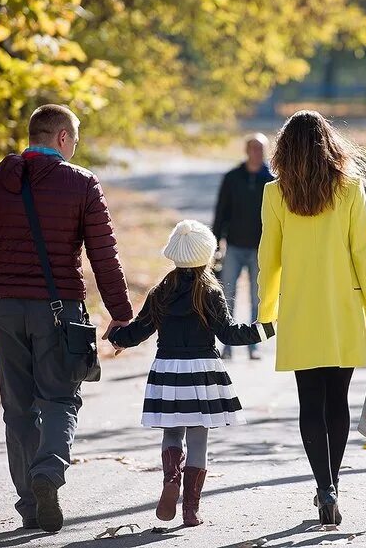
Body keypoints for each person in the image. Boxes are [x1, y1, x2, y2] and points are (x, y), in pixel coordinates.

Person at [0, 104, 132, 533]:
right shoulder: (82, 183)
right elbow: (104, 255)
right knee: (61, 398)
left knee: (18, 407)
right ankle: (48, 471)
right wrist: (121, 315)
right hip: (57, 308)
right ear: (62, 137)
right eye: (76, 138)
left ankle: (30, 503)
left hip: (4, 309)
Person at [257, 110, 366, 526]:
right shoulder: (349, 189)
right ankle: (333, 486)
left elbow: (269, 259)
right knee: (338, 401)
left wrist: (266, 312)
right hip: (346, 309)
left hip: (299, 311)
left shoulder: (275, 194)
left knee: (310, 402)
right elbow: (363, 255)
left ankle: (324, 487)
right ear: (329, 144)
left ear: (284, 150)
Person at [109, 220, 275, 527]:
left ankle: (171, 479)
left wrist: (117, 338)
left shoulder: (161, 291)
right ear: (208, 254)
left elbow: (139, 330)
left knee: (172, 433)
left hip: (168, 370)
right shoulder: (210, 291)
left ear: (173, 254)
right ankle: (191, 510)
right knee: (199, 440)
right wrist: (267, 330)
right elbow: (229, 334)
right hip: (202, 371)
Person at [212, 133, 276, 360]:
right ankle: (226, 344)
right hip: (235, 247)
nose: (257, 153)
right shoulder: (232, 178)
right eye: (253, 148)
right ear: (246, 151)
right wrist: (215, 242)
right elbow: (221, 211)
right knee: (226, 294)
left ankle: (253, 344)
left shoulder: (272, 179)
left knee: (258, 297)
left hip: (262, 249)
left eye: (261, 149)